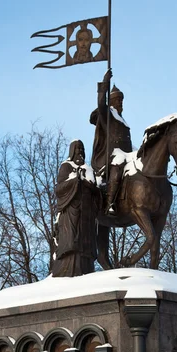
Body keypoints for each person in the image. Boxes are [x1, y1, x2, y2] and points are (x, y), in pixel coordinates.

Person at [52, 140, 99, 277]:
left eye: (82, 148)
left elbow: (96, 192)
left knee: (86, 246)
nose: (80, 151)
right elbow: (59, 190)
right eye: (77, 148)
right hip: (72, 211)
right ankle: (67, 271)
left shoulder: (89, 170)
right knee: (72, 242)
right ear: (72, 151)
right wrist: (75, 180)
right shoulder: (66, 167)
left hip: (87, 214)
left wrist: (90, 186)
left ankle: (86, 269)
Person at [90, 68, 133, 214]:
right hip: (112, 156)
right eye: (118, 100)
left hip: (128, 155)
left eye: (121, 100)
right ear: (112, 101)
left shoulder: (123, 121)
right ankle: (110, 203)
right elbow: (101, 104)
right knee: (117, 167)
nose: (121, 102)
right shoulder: (108, 115)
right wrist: (105, 83)